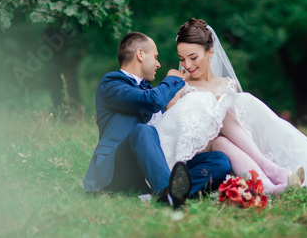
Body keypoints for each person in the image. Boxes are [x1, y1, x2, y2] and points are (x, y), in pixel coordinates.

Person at [151, 19, 307, 195]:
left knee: (225, 129)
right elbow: (173, 118)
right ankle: (268, 167)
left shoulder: (226, 84)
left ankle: (268, 185)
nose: (187, 65)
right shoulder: (176, 78)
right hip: (187, 148)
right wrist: (179, 87)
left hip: (218, 150)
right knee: (220, 112)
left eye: (193, 57)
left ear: (210, 52)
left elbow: (243, 125)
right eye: (182, 58)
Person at [83, 32, 231, 208]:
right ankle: (166, 191)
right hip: (118, 168)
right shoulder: (112, 83)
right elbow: (151, 101)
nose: (158, 64)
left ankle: (164, 196)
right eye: (155, 57)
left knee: (219, 161)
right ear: (140, 54)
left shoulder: (151, 92)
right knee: (143, 130)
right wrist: (173, 79)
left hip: (156, 165)